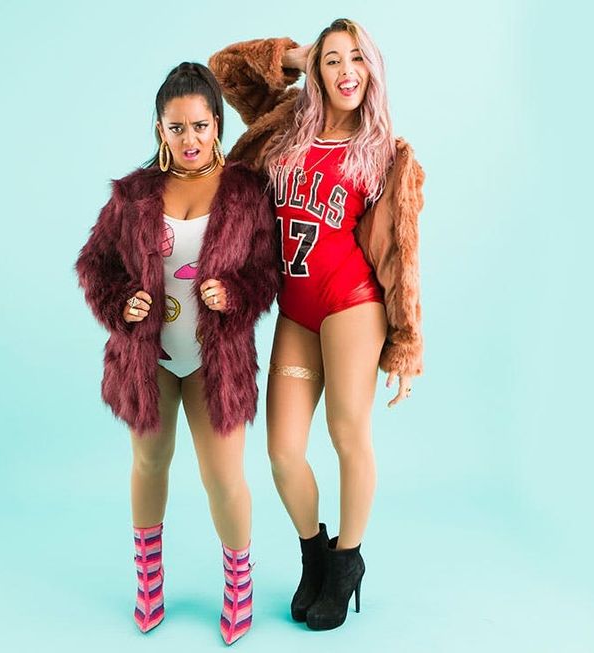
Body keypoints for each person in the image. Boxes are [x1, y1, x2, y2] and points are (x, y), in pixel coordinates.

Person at [209, 18, 425, 631]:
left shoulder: (387, 153)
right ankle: (316, 553)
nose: (346, 71)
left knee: (347, 431)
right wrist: (298, 56)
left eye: (357, 58)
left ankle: (348, 562)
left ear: (372, 69)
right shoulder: (284, 126)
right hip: (296, 309)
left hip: (353, 301)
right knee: (282, 452)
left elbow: (401, 255)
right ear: (317, 72)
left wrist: (406, 343)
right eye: (333, 61)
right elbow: (224, 69)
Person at [75, 62, 278, 645]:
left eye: (200, 125)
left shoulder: (245, 192)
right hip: (150, 360)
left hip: (217, 363)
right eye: (176, 127)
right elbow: (95, 266)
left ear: (217, 124)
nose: (190, 139)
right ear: (160, 128)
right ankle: (148, 580)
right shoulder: (134, 195)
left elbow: (267, 272)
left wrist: (234, 294)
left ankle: (239, 582)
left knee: (225, 478)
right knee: (149, 463)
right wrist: (123, 303)